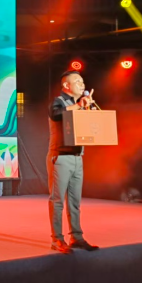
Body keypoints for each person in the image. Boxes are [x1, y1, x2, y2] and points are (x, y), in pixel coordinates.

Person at [46, 70, 100, 254]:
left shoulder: (81, 104)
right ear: (66, 86)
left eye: (82, 81)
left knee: (75, 201)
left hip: (78, 157)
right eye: (77, 81)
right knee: (57, 200)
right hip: (60, 157)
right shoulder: (59, 101)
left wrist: (89, 109)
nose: (82, 84)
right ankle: (57, 239)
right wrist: (78, 106)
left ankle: (76, 237)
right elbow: (55, 115)